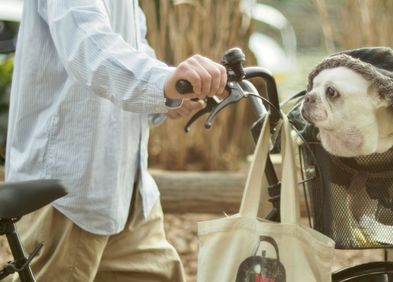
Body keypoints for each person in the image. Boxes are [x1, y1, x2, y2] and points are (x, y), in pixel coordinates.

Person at [5, 1, 227, 281]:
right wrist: (162, 82)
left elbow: (132, 51)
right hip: (69, 194)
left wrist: (169, 97)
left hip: (128, 196)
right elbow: (91, 48)